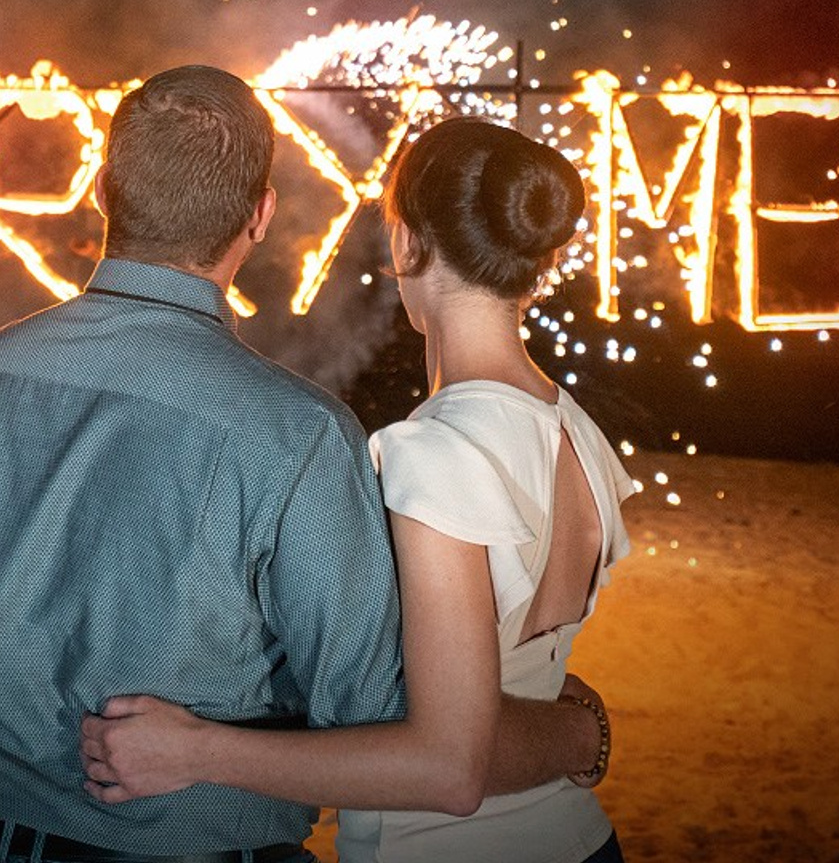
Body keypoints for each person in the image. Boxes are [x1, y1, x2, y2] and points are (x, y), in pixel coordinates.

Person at [0, 69, 607, 863]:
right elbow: (378, 716)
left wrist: (59, 641)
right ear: (260, 216)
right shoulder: (297, 435)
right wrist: (575, 731)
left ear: (100, 191)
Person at [80, 115, 636, 863]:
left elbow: (447, 766)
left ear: (407, 242)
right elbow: (519, 690)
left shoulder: (435, 454)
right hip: (576, 839)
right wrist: (577, 732)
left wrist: (197, 751)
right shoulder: (575, 431)